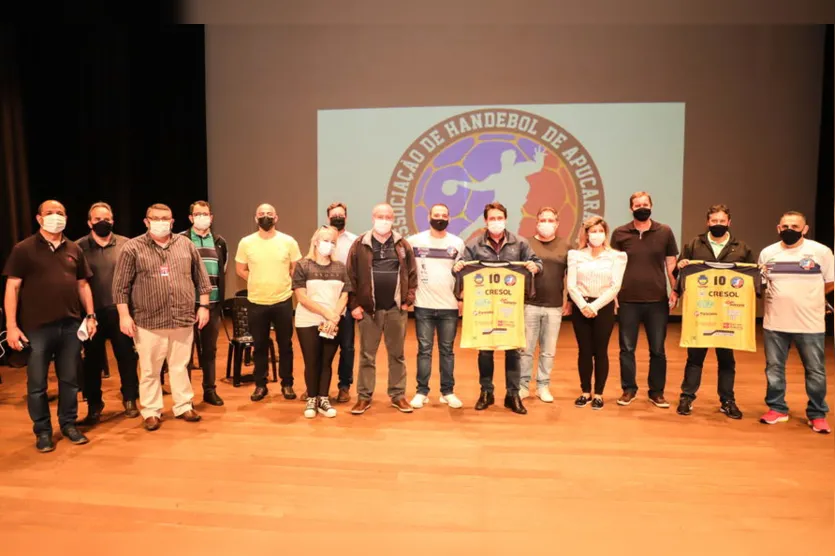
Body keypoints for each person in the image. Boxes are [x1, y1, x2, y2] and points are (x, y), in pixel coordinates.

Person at [3, 200, 97, 452]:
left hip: (70, 326)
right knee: (37, 384)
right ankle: (43, 431)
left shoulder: (74, 249)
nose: (56, 217)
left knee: (70, 380)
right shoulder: (23, 249)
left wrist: (90, 315)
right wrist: (11, 326)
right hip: (37, 328)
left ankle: (68, 424)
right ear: (39, 218)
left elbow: (83, 285)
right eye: (50, 213)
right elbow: (12, 287)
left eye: (60, 213)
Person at [112, 203, 212, 431]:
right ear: (146, 222)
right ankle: (151, 410)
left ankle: (184, 405)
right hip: (148, 321)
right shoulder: (132, 248)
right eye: (155, 218)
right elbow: (120, 287)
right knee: (149, 369)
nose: (160, 222)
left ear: (172, 221)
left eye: (165, 218)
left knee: (180, 365)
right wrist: (124, 316)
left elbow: (202, 279)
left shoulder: (185, 244)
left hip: (182, 318)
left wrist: (204, 307)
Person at [453, 201, 543, 414]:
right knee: (485, 350)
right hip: (483, 308)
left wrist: (534, 266)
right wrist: (457, 267)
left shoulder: (519, 243)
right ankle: (486, 391)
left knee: (513, 350)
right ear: (485, 221)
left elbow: (537, 262)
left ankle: (512, 394)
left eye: (499, 218)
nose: (496, 222)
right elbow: (460, 266)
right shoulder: (474, 245)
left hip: (510, 306)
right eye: (492, 219)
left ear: (505, 219)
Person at [675, 204, 754, 419]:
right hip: (701, 312)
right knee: (695, 357)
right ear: (707, 222)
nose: (717, 224)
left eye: (722, 221)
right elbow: (679, 273)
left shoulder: (741, 247)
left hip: (729, 314)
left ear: (729, 222)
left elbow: (751, 277)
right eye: (714, 221)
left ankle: (727, 400)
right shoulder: (693, 244)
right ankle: (687, 397)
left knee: (726, 359)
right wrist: (681, 267)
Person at [758, 211, 834, 434]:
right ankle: (777, 408)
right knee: (774, 369)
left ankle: (817, 413)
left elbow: (829, 283)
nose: (789, 229)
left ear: (805, 228)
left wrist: (809, 299)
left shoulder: (820, 251)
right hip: (775, 322)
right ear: (778, 228)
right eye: (784, 226)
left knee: (815, 370)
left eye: (794, 225)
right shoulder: (767, 253)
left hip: (810, 323)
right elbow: (764, 284)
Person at [347, 203, 417, 415]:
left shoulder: (403, 245)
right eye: (380, 216)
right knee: (367, 355)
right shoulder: (360, 244)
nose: (384, 220)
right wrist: (355, 305)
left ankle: (398, 395)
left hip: (396, 309)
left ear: (393, 219)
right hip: (369, 310)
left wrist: (408, 300)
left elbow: (412, 275)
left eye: (388, 216)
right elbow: (351, 277)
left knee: (397, 355)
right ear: (372, 218)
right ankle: (364, 397)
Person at [610, 191, 679, 408]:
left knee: (657, 349)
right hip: (627, 299)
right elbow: (612, 266)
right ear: (631, 208)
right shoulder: (620, 233)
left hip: (657, 300)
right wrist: (613, 295)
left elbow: (671, 265)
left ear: (651, 206)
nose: (642, 207)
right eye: (637, 204)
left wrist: (675, 290)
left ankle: (656, 392)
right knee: (626, 348)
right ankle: (628, 389)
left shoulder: (665, 231)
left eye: (645, 204)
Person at [77, 202, 140, 425]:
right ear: (89, 222)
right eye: (97, 219)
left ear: (113, 220)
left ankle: (130, 398)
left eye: (107, 218)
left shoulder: (127, 244)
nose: (102, 222)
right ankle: (94, 405)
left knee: (127, 357)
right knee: (92, 362)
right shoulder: (78, 247)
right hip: (91, 314)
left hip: (121, 312)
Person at [235, 203, 302, 402]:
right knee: (260, 345)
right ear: (255, 219)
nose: (266, 217)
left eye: (269, 214)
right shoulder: (246, 243)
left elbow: (295, 269)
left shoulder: (288, 241)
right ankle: (260, 384)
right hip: (256, 301)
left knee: (285, 345)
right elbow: (240, 269)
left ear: (276, 217)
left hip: (282, 300)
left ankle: (287, 383)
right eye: (262, 214)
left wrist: (284, 282)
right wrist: (256, 280)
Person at [407, 203, 466, 409]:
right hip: (423, 306)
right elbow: (404, 267)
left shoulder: (457, 243)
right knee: (424, 350)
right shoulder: (414, 241)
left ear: (449, 219)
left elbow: (463, 275)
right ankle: (421, 391)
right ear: (429, 217)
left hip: (449, 307)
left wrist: (461, 299)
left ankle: (447, 392)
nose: (439, 218)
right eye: (436, 214)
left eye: (444, 215)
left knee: (447, 350)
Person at [566, 216, 627, 410]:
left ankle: (599, 394)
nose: (596, 235)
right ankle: (585, 391)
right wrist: (584, 305)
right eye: (592, 231)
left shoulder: (617, 256)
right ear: (586, 234)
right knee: (584, 351)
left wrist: (595, 307)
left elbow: (615, 286)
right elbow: (571, 284)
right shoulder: (575, 255)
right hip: (580, 305)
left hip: (604, 307)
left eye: (600, 231)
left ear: (605, 234)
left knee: (600, 351)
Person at [293, 226, 351, 419]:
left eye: (332, 241)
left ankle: (323, 398)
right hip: (308, 320)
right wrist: (327, 313)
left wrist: (334, 316)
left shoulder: (340, 267)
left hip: (333, 322)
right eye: (325, 240)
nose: (329, 244)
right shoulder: (303, 265)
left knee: (326, 362)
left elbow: (345, 295)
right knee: (312, 361)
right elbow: (301, 297)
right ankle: (311, 398)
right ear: (315, 242)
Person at [519, 206, 571, 403]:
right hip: (529, 304)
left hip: (554, 305)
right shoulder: (526, 244)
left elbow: (571, 276)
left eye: (551, 220)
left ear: (557, 224)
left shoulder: (566, 246)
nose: (546, 224)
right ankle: (523, 386)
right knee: (526, 350)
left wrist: (569, 301)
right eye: (543, 220)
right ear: (537, 222)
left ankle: (543, 385)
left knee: (548, 350)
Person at [181, 200, 228, 407]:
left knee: (209, 351)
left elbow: (222, 269)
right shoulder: (180, 240)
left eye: (206, 213)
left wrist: (210, 305)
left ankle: (209, 390)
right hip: (187, 306)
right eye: (198, 214)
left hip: (213, 305)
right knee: (185, 354)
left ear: (211, 217)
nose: (202, 217)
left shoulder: (219, 242)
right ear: (191, 218)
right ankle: (186, 396)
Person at [325, 202, 357, 403]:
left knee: (347, 347)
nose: (338, 217)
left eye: (341, 215)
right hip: (323, 303)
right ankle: (318, 387)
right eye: (334, 215)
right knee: (322, 346)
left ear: (346, 217)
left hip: (346, 301)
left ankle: (344, 386)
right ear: (328, 218)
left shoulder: (355, 241)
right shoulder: (321, 239)